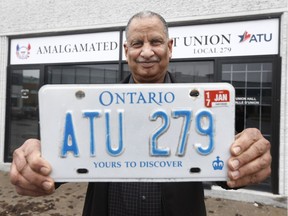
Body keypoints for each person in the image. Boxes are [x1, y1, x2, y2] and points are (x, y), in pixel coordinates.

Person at [10, 11, 272, 216]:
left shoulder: (203, 106)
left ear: (170, 47)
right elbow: (58, 159)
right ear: (126, 51)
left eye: (156, 41)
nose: (147, 51)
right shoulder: (93, 106)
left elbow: (227, 167)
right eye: (137, 43)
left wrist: (246, 161)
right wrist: (35, 165)